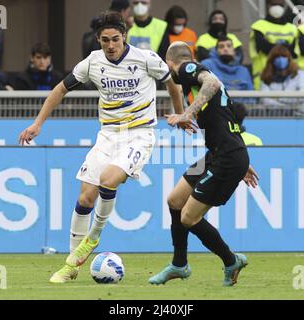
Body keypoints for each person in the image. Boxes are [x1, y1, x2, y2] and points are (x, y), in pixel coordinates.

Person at [18, 12, 187, 284]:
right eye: (105, 40)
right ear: (98, 40)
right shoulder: (92, 63)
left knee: (109, 179)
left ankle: (93, 238)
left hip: (139, 135)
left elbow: (171, 83)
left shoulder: (146, 59)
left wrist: (179, 114)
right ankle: (72, 265)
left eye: (116, 39)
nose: (111, 45)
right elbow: (60, 89)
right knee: (86, 197)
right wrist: (38, 123)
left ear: (124, 38)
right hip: (107, 135)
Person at [149, 41, 259, 287]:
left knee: (188, 217)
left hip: (228, 157)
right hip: (223, 153)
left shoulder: (188, 68)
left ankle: (231, 260)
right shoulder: (191, 84)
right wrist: (243, 163)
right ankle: (179, 264)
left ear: (170, 63)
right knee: (175, 200)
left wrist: (186, 114)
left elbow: (213, 83)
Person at [249, 0, 298, 90]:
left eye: (280, 5)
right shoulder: (259, 26)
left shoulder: (292, 29)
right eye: (274, 4)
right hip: (264, 77)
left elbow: (293, 52)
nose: (277, 7)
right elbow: (263, 47)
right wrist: (285, 46)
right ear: (268, 5)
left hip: (288, 79)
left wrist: (272, 46)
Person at [260, 45, 304, 117]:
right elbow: (265, 100)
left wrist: (278, 99)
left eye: (283, 56)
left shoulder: (298, 74)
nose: (281, 59)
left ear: (288, 59)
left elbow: (302, 96)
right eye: (277, 57)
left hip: (299, 115)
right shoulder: (266, 77)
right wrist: (287, 104)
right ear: (272, 60)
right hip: (275, 116)